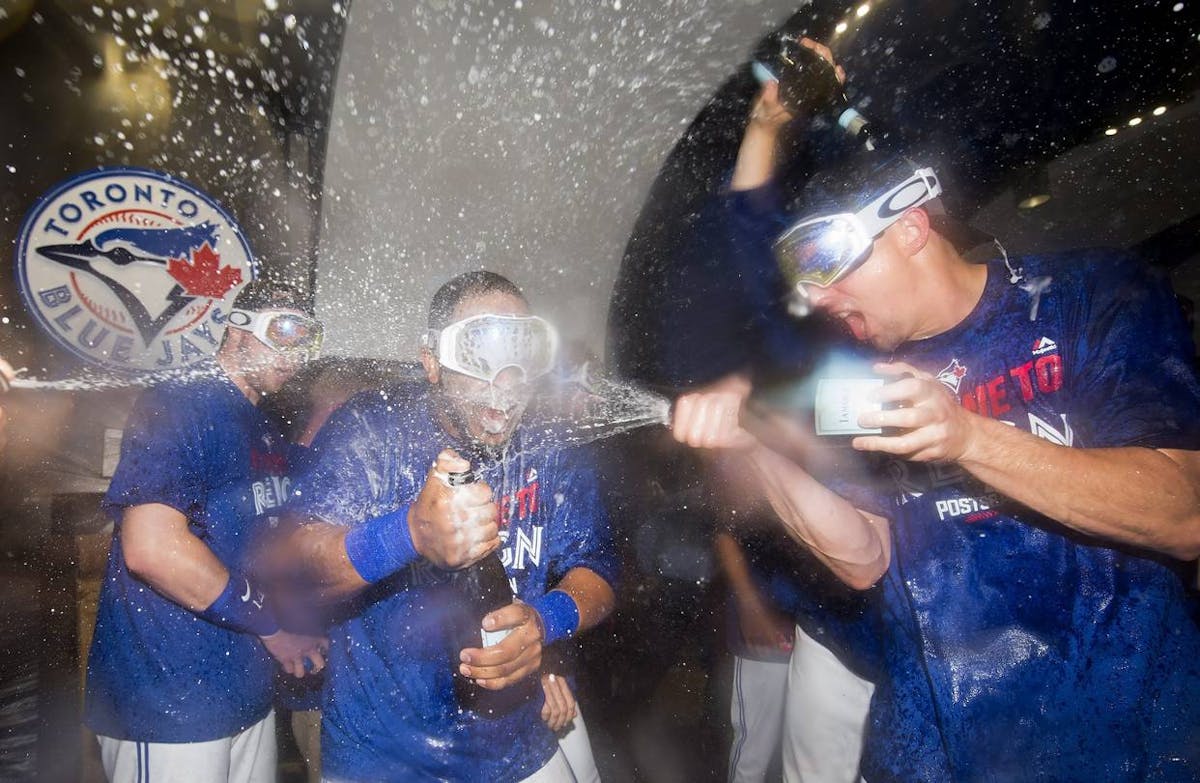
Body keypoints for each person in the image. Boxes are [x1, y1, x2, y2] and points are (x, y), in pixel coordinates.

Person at [671, 40, 1200, 782]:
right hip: (933, 749)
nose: (817, 295)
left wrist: (969, 436)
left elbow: (1182, 512)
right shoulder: (857, 375)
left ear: (910, 226)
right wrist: (756, 451)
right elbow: (864, 558)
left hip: (1122, 739)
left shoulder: (1092, 298)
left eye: (827, 258)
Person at [278, 270, 618, 782]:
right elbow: (297, 571)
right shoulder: (373, 428)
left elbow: (598, 571)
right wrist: (410, 533)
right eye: (479, 356)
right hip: (386, 759)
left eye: (521, 354)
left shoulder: (548, 442)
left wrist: (545, 622)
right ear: (432, 362)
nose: (504, 383)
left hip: (516, 748)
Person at [83, 279, 328, 783]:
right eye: (282, 332)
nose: (295, 354)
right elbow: (152, 548)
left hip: (243, 694)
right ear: (238, 328)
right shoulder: (183, 401)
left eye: (305, 340)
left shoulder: (262, 425)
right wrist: (274, 629)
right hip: (169, 702)